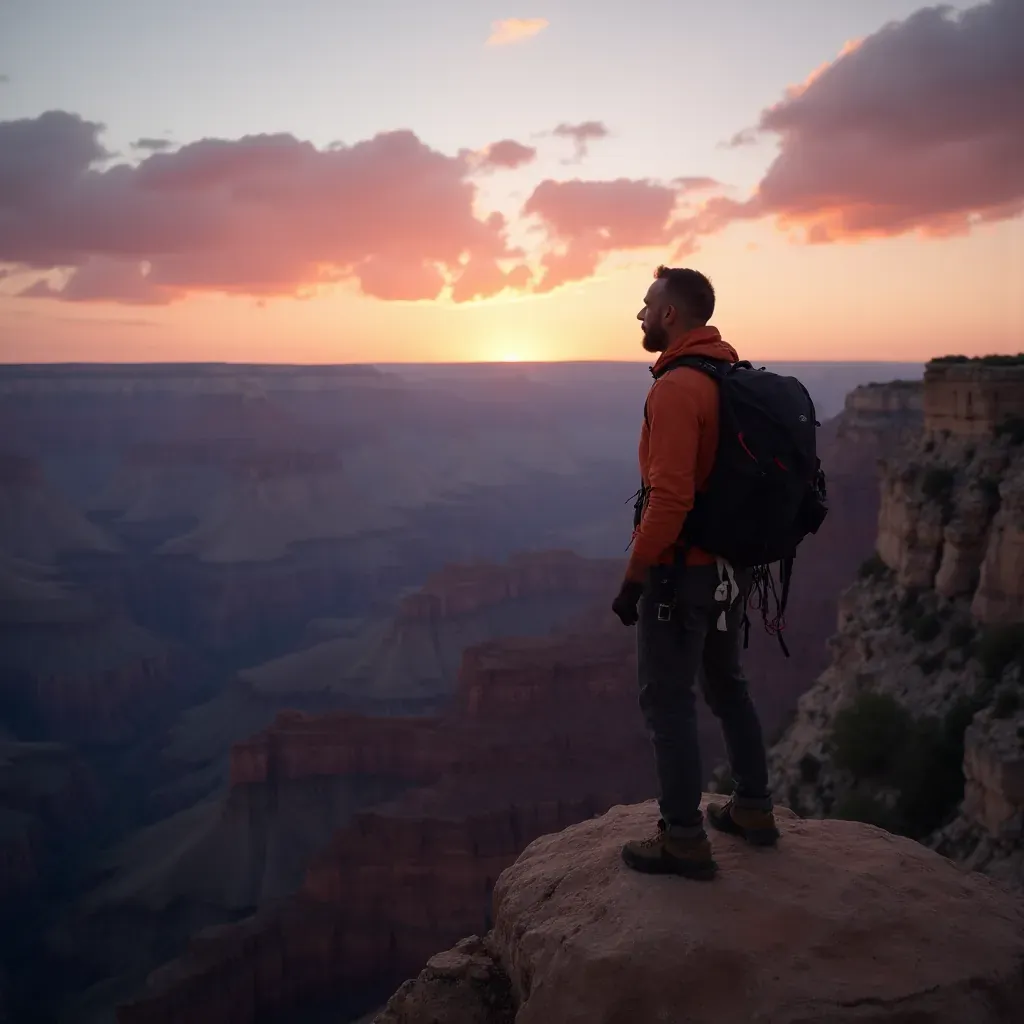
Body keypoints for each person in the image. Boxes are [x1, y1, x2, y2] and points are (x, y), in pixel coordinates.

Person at [611, 265, 779, 880]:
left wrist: (634, 577)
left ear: (671, 315)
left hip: (681, 575)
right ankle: (754, 810)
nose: (640, 314)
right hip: (731, 570)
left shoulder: (676, 388)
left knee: (668, 702)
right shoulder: (727, 373)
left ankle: (683, 838)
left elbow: (671, 497)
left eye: (647, 304)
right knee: (728, 685)